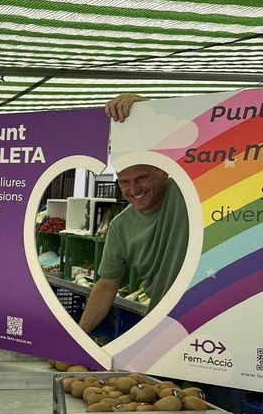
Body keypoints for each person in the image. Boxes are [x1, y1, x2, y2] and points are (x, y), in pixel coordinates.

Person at [78, 93, 189, 334]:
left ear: (164, 171)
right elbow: (107, 285)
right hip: (165, 323)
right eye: (124, 182)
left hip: (212, 311)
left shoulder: (183, 194)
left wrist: (144, 109)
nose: (134, 189)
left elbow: (191, 139)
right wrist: (79, 334)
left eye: (143, 178)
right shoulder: (120, 226)